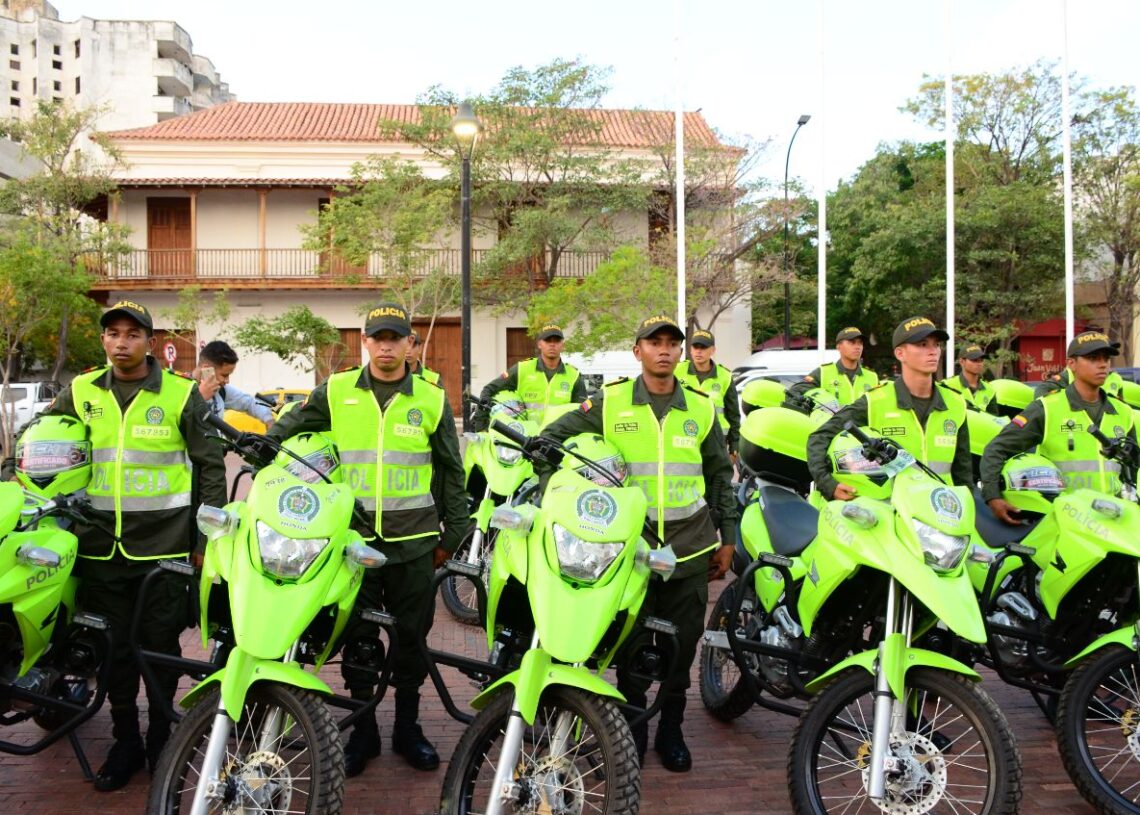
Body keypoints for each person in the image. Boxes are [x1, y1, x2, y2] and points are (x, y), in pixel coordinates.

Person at [268, 302, 467, 776]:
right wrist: (259, 452)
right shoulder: (335, 391)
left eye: (394, 338)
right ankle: (363, 730)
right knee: (358, 640)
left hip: (414, 542)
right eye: (377, 337)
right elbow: (287, 430)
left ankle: (408, 727)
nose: (385, 346)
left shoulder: (431, 399)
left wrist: (454, 531)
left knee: (410, 638)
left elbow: (450, 471)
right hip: (351, 545)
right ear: (365, 343)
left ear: (410, 345)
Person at [539, 313, 738, 773]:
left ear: (681, 352)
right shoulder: (610, 403)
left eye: (672, 343)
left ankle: (671, 729)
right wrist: (562, 489)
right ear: (638, 352)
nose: (664, 350)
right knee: (630, 645)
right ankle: (632, 725)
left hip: (690, 548)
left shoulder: (703, 408)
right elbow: (551, 441)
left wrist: (727, 537)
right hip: (631, 549)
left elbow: (719, 478)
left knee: (681, 646)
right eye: (655, 343)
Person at [41, 300, 226, 791]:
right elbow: (41, 444)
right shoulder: (80, 391)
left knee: (161, 649)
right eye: (112, 334)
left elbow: (210, 466)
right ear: (103, 340)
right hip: (98, 549)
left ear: (149, 341)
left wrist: (205, 539)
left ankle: (162, 740)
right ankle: (125, 741)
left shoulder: (182, 395)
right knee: (114, 653)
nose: (121, 342)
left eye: (131, 334)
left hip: (163, 550)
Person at [808, 316, 972, 500]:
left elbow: (963, 472)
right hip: (894, 512)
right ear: (900, 354)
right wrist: (828, 485)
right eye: (922, 344)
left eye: (936, 345)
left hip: (943, 512)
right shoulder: (875, 400)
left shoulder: (955, 403)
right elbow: (820, 437)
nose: (933, 351)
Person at [982, 330, 1137, 524]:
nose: (1102, 364)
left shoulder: (1123, 412)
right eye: (1092, 358)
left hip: (1113, 519)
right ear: (1071, 364)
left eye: (1106, 358)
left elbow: (1133, 467)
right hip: (1064, 520)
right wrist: (993, 497)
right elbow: (997, 449)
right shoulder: (1047, 407)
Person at [472, 323, 587, 428]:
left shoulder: (574, 375)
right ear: (539, 344)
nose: (552, 344)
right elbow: (488, 390)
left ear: (563, 345)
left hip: (559, 438)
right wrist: (481, 426)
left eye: (556, 341)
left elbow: (583, 414)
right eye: (548, 340)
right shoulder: (522, 369)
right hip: (525, 438)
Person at [674, 329, 741, 459]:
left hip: (717, 439)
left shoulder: (725, 376)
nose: (699, 351)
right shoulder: (677, 371)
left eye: (703, 347)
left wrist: (734, 447)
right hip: (685, 438)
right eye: (695, 347)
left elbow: (733, 415)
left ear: (713, 350)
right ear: (690, 349)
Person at [193, 340, 276, 430]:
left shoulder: (221, 391)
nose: (227, 381)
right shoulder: (182, 390)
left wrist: (269, 420)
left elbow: (249, 403)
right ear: (206, 369)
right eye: (224, 375)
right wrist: (200, 398)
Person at [790, 326, 878, 405]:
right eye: (852, 342)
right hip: (832, 423)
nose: (857, 347)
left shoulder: (872, 377)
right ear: (838, 346)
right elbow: (794, 393)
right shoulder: (823, 373)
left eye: (860, 343)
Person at [940, 343, 999, 415]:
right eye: (974, 360)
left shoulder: (989, 389)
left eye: (981, 360)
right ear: (962, 361)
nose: (979, 363)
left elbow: (993, 419)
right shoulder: (948, 386)